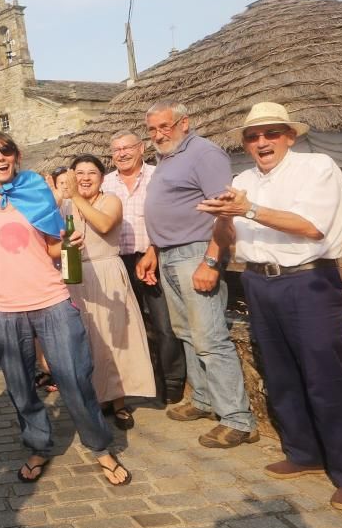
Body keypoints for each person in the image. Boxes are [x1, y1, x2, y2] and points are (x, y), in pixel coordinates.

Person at [199, 102, 342, 512]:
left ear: (290, 135)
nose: (261, 142)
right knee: (281, 371)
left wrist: (246, 208)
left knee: (326, 376)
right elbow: (229, 234)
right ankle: (304, 453)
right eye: (253, 136)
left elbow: (311, 225)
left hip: (309, 279)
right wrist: (222, 217)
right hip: (258, 280)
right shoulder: (243, 178)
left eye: (271, 133)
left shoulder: (318, 167)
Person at [0, 131, 131, 487]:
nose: (0, 158)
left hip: (51, 300)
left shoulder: (37, 191)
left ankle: (100, 447)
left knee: (74, 378)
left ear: (17, 154)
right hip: (5, 307)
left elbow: (53, 249)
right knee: (20, 385)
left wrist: (69, 242)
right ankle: (38, 444)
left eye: (6, 151)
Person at [139, 100, 258, 448]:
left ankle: (238, 419)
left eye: (166, 126)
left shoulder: (205, 154)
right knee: (186, 333)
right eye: (153, 129)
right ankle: (205, 400)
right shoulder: (169, 158)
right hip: (170, 255)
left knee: (209, 336)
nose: (159, 134)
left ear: (184, 123)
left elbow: (225, 211)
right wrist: (153, 250)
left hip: (196, 253)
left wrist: (210, 260)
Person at [55, 155, 156, 429]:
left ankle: (120, 402)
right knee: (87, 339)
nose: (85, 178)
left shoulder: (110, 200)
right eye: (79, 173)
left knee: (115, 339)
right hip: (75, 277)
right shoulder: (63, 205)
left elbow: (103, 225)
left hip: (107, 272)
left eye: (92, 173)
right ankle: (97, 398)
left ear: (102, 178)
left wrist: (76, 198)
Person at [101, 131, 185, 404]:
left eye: (127, 148)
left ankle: (172, 384)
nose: (122, 154)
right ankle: (142, 384)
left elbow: (171, 217)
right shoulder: (105, 183)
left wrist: (154, 251)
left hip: (153, 257)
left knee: (164, 324)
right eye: (116, 150)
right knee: (129, 328)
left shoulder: (157, 176)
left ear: (141, 148)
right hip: (118, 263)